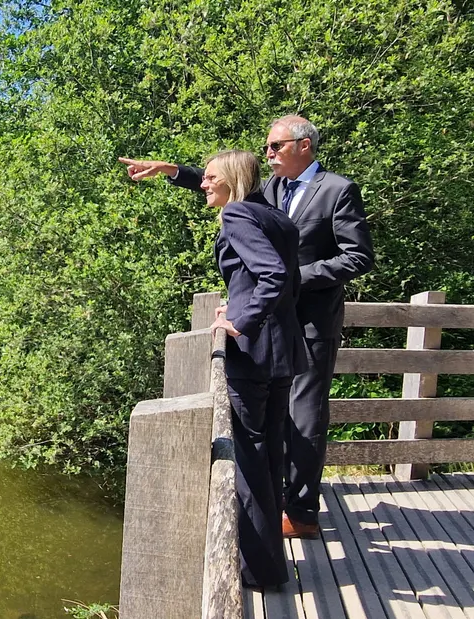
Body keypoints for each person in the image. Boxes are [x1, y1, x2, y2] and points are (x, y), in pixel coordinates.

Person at [119, 115, 375, 539]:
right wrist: (171, 171)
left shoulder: (336, 190)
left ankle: (302, 513)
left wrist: (291, 279)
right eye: (267, 147)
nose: (268, 153)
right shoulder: (271, 190)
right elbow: (227, 183)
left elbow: (358, 257)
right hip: (270, 322)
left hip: (311, 320)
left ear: (304, 145)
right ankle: (271, 504)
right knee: (272, 420)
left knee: (305, 416)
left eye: (276, 146)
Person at [191, 149, 307, 588]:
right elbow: (281, 280)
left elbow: (272, 275)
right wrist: (237, 303)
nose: (203, 184)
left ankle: (258, 571)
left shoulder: (237, 214)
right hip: (281, 350)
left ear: (231, 179)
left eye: (210, 177)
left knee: (251, 459)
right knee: (270, 453)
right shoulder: (274, 215)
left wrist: (241, 320)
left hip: (254, 352)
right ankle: (270, 566)